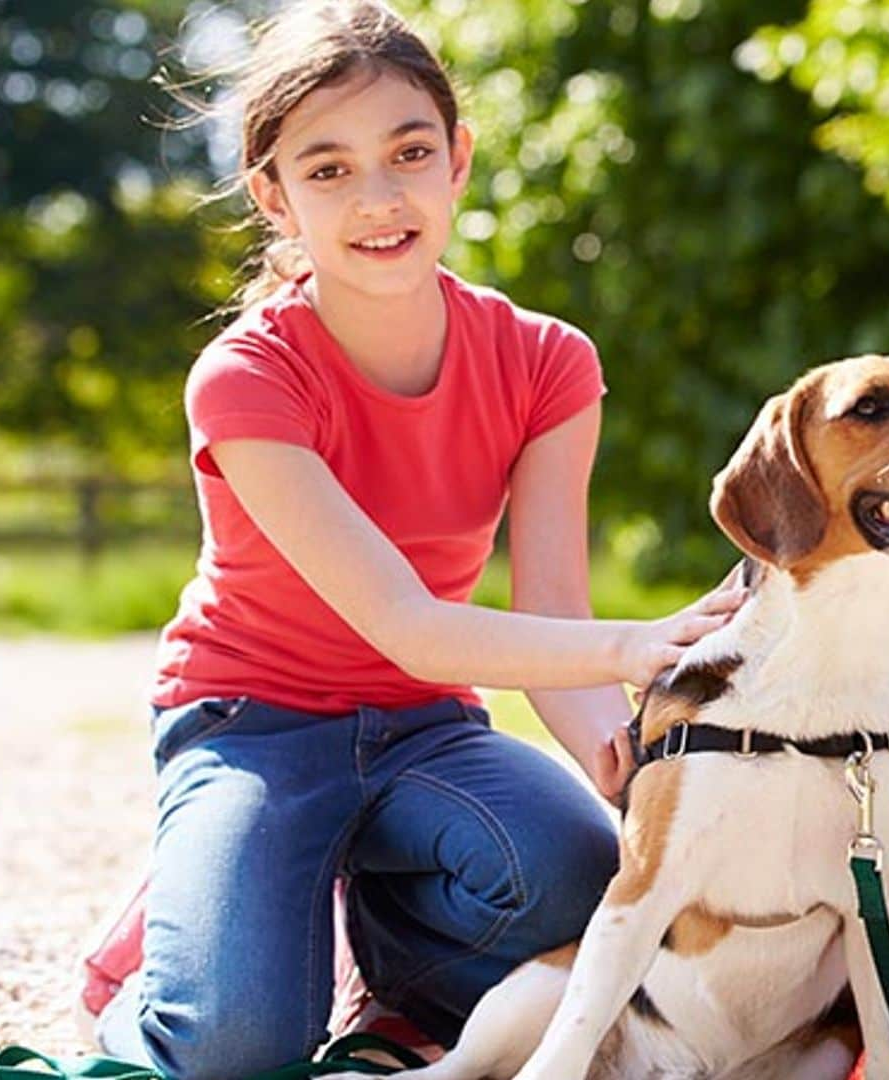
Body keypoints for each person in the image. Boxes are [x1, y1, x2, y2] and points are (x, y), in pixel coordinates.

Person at [75, 3, 740, 1076]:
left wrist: (628, 770)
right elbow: (407, 622)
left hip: (426, 729)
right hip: (251, 724)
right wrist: (637, 645)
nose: (379, 199)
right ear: (274, 198)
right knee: (238, 1050)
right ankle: (148, 970)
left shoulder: (547, 363)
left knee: (580, 879)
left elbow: (550, 613)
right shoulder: (247, 378)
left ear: (458, 162)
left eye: (409, 153)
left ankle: (377, 972)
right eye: (327, 170)